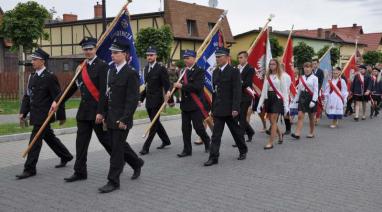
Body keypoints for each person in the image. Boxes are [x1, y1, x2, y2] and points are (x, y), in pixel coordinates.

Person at [50, 37, 143, 182]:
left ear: (95, 50)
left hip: (97, 112)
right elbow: (71, 87)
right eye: (85, 49)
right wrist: (57, 101)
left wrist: (100, 112)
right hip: (83, 112)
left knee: (110, 143)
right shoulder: (81, 68)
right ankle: (80, 172)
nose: (87, 52)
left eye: (90, 49)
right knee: (80, 143)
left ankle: (134, 162)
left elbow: (103, 93)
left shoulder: (103, 66)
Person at [16, 48, 73, 179]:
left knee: (34, 141)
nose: (33, 62)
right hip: (35, 114)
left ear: (42, 61)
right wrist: (23, 112)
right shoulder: (32, 76)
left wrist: (61, 116)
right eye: (32, 59)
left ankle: (29, 169)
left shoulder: (50, 77)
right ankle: (66, 156)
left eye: (35, 59)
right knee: (49, 137)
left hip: (45, 116)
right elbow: (27, 96)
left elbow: (59, 98)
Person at [98, 39, 142, 193]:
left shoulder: (131, 73)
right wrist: (102, 113)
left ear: (125, 54)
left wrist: (124, 119)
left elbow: (132, 100)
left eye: (116, 53)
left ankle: (113, 181)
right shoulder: (111, 71)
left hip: (121, 119)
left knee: (116, 150)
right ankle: (136, 163)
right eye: (112, 52)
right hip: (110, 117)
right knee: (119, 145)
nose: (112, 55)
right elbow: (107, 95)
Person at [204, 47, 247, 166]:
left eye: (220, 56)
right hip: (218, 109)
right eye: (216, 57)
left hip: (230, 109)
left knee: (236, 132)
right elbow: (214, 92)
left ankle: (243, 150)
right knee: (216, 135)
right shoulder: (215, 72)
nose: (217, 59)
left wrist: (235, 108)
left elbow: (237, 91)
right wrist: (212, 109)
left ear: (227, 57)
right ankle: (213, 157)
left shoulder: (234, 71)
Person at [173, 50, 211, 157]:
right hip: (185, 105)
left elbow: (198, 87)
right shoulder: (182, 72)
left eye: (188, 58)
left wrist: (182, 86)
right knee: (185, 129)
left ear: (194, 59)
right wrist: (170, 94)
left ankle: (207, 141)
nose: (185, 60)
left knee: (198, 127)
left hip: (195, 104)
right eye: (184, 58)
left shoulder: (199, 71)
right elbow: (178, 85)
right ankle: (187, 150)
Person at [139, 46, 172, 155]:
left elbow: (167, 85)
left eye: (151, 55)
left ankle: (146, 147)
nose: (149, 57)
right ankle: (166, 140)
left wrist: (170, 99)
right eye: (148, 55)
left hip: (157, 101)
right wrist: (141, 99)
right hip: (149, 101)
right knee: (156, 122)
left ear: (156, 56)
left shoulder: (161, 68)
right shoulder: (146, 69)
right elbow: (146, 86)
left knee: (153, 124)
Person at [257, 59, 289, 149]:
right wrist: (260, 104)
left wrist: (286, 106)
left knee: (273, 119)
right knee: (272, 121)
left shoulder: (282, 76)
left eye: (273, 64)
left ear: (277, 65)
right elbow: (263, 91)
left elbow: (285, 92)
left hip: (277, 99)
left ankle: (270, 142)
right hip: (269, 98)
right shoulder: (268, 76)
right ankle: (280, 134)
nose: (271, 66)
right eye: (270, 64)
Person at [291, 62, 319, 139]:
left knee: (311, 117)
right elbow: (299, 90)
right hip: (302, 97)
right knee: (300, 116)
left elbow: (316, 91)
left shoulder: (315, 78)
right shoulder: (301, 77)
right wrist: (295, 100)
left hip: (311, 97)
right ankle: (297, 133)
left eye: (308, 67)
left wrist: (313, 101)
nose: (306, 69)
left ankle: (311, 132)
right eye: (305, 67)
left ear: (311, 68)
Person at [237, 51, 255, 143]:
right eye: (238, 58)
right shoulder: (237, 68)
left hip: (246, 95)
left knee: (241, 116)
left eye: (241, 57)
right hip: (238, 96)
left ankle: (240, 139)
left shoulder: (250, 69)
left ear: (246, 58)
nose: (239, 59)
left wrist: (236, 84)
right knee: (240, 116)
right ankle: (250, 132)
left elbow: (247, 83)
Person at [312, 58, 324, 124]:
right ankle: (313, 117)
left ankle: (317, 117)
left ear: (318, 64)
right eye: (313, 64)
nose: (314, 65)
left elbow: (321, 82)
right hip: (311, 90)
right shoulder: (311, 71)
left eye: (315, 64)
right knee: (312, 104)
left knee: (318, 104)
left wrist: (317, 90)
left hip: (318, 90)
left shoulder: (320, 71)